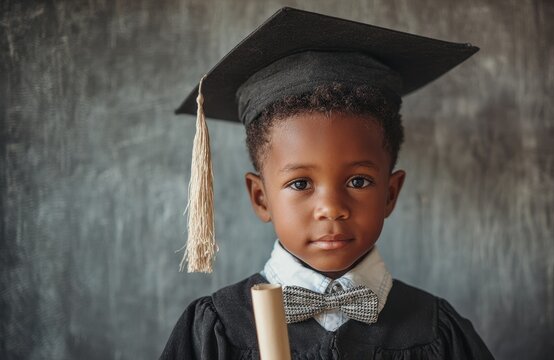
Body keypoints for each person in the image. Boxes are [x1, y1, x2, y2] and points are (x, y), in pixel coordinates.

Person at [160, 7, 495, 360]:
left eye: (359, 180)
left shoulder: (436, 331)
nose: (332, 207)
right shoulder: (218, 329)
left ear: (391, 194)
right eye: (301, 183)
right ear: (261, 198)